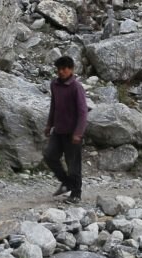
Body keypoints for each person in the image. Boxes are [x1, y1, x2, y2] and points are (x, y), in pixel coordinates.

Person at [44, 56, 88, 204]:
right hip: (58, 130)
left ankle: (76, 193)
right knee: (49, 155)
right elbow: (54, 106)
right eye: (59, 69)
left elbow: (83, 112)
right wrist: (49, 125)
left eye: (64, 69)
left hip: (73, 132)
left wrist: (78, 132)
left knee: (73, 164)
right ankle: (66, 182)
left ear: (71, 69)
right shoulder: (54, 84)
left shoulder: (76, 87)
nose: (61, 72)